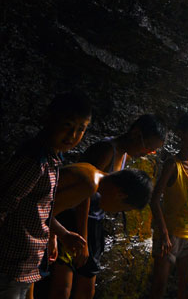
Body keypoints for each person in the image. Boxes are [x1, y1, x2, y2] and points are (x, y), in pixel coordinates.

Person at [0, 92, 92, 299]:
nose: (73, 135)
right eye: (67, 125)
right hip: (5, 269)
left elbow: (37, 209)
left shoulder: (53, 159)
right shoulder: (35, 161)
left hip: (23, 270)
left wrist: (61, 233)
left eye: (81, 129)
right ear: (49, 119)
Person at [48, 115, 166, 299]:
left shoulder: (124, 154)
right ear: (136, 134)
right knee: (63, 286)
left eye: (152, 151)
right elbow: (84, 195)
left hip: (94, 222)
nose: (147, 152)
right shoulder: (106, 150)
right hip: (75, 220)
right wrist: (81, 237)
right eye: (148, 147)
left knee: (87, 287)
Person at [149, 112, 188, 299]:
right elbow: (154, 199)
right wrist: (163, 233)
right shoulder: (173, 165)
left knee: (187, 287)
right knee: (159, 286)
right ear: (181, 134)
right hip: (168, 236)